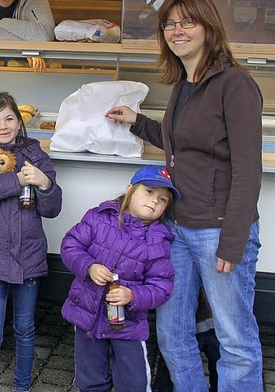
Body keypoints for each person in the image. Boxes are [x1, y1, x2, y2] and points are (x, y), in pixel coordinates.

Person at [106, 0, 264, 391]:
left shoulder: (235, 84)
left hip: (218, 231)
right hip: (176, 229)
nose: (177, 31)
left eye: (186, 22)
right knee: (172, 336)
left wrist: (233, 240)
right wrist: (137, 121)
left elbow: (248, 169)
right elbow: (181, 142)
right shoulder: (184, 84)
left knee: (235, 341)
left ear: (208, 26)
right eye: (170, 24)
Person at [0, 91, 62, 392]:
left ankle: (22, 387)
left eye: (9, 118)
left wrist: (44, 183)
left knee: (25, 329)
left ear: (19, 121)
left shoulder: (37, 154)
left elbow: (53, 209)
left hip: (28, 254)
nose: (3, 126)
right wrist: (17, 180)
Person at [60, 165, 176, 392]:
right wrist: (89, 266)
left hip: (128, 325)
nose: (154, 202)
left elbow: (162, 286)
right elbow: (70, 245)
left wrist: (133, 295)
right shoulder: (99, 217)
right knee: (90, 379)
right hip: (88, 316)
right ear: (130, 190)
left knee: (134, 383)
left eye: (162, 200)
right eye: (149, 192)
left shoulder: (158, 241)